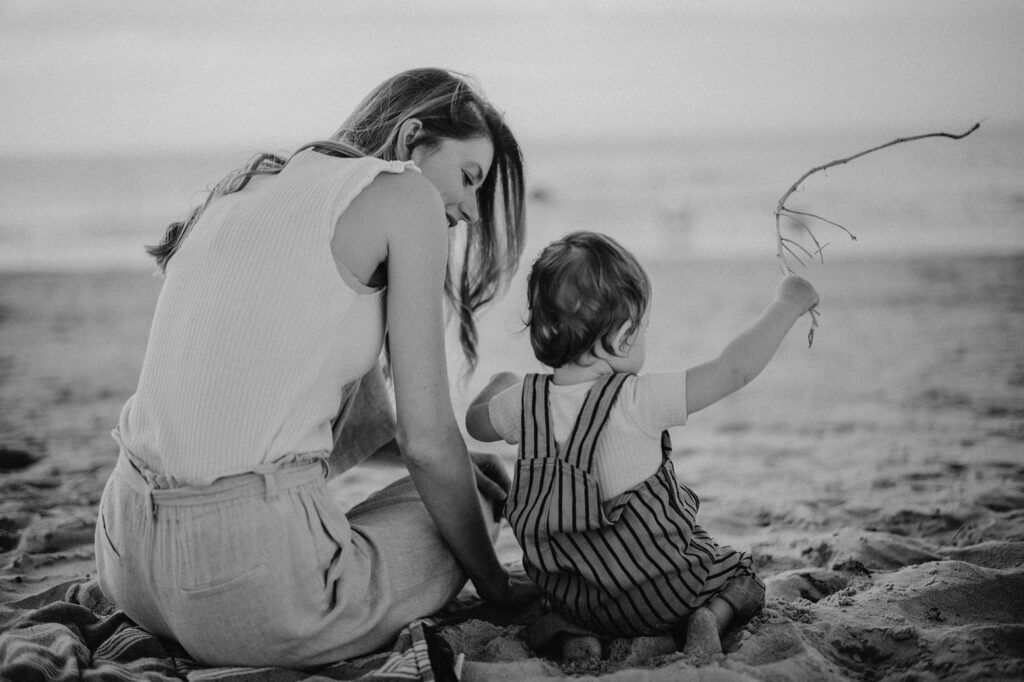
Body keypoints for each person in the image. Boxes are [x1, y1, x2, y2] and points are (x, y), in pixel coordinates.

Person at [94, 68, 539, 669]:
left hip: (123, 555)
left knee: (464, 470)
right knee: (475, 493)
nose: (471, 210)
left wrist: (455, 463)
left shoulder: (249, 183)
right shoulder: (405, 194)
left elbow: (263, 389)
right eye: (468, 177)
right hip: (247, 593)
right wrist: (495, 586)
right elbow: (428, 443)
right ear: (411, 139)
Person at [465, 231, 820, 658]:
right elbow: (735, 370)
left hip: (580, 597)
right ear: (623, 335)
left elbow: (474, 424)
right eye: (643, 329)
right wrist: (789, 303)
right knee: (741, 576)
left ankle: (577, 635)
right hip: (666, 593)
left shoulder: (525, 402)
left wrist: (500, 384)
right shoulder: (636, 400)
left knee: (554, 604)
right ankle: (711, 618)